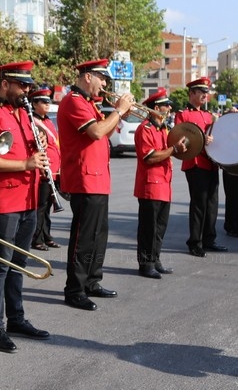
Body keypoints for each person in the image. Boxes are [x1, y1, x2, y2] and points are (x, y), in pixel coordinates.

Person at [0, 61, 50, 354]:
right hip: (2, 202)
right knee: (0, 266)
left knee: (19, 264)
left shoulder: (25, 115)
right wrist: (25, 163)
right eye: (22, 85)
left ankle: (16, 318)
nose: (27, 91)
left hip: (28, 200)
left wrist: (38, 144)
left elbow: (32, 153)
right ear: (5, 84)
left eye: (29, 86)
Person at [57, 59, 134, 311]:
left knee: (99, 236)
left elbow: (105, 131)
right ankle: (74, 289)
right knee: (83, 238)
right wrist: (119, 111)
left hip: (98, 178)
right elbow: (97, 133)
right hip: (84, 179)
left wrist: (118, 115)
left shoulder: (90, 103)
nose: (104, 84)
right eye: (102, 79)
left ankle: (92, 280)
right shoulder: (74, 101)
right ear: (87, 77)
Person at [133, 89, 186, 279]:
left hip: (163, 184)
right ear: (156, 108)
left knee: (160, 227)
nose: (170, 108)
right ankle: (145, 264)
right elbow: (150, 157)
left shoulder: (162, 129)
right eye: (166, 105)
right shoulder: (144, 129)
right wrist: (173, 149)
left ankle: (155, 260)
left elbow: (172, 151)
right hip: (150, 186)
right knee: (149, 228)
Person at [174, 77, 227, 257]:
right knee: (199, 204)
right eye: (202, 92)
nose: (206, 95)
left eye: (207, 92)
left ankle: (209, 239)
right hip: (195, 163)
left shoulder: (208, 115)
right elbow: (180, 140)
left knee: (212, 203)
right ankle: (194, 242)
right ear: (192, 93)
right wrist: (203, 138)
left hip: (211, 163)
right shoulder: (182, 115)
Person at [28, 85, 62, 251]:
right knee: (40, 207)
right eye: (43, 101)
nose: (47, 104)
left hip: (53, 169)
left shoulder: (48, 120)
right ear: (34, 104)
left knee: (48, 206)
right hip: (42, 169)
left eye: (48, 101)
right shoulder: (32, 121)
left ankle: (47, 235)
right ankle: (37, 238)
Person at [222, 106, 238, 238]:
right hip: (230, 165)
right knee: (232, 196)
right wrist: (228, 114)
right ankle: (231, 226)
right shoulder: (230, 119)